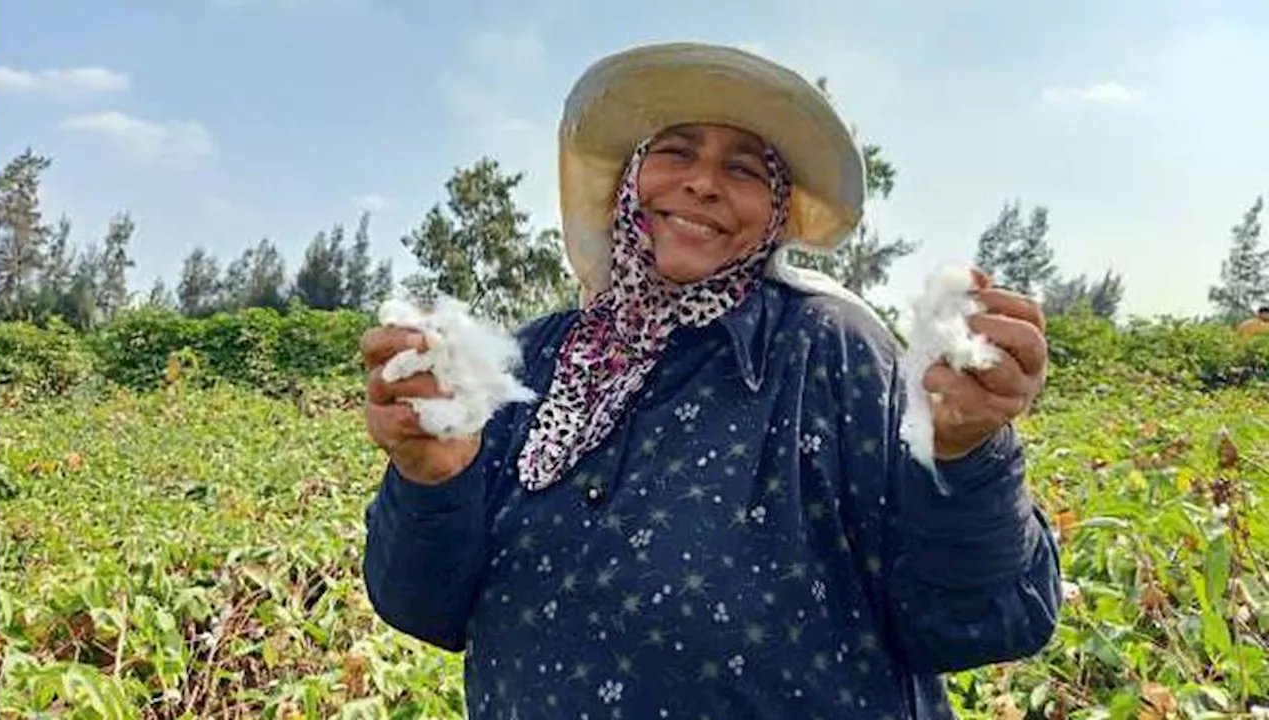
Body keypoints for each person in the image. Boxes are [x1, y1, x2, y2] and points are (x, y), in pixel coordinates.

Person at [361, 41, 1061, 719]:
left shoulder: (829, 349)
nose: (702, 182)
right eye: (675, 151)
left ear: (778, 211)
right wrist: (431, 478)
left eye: (747, 168)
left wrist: (966, 452)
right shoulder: (537, 361)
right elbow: (426, 606)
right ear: (630, 182)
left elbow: (980, 623)